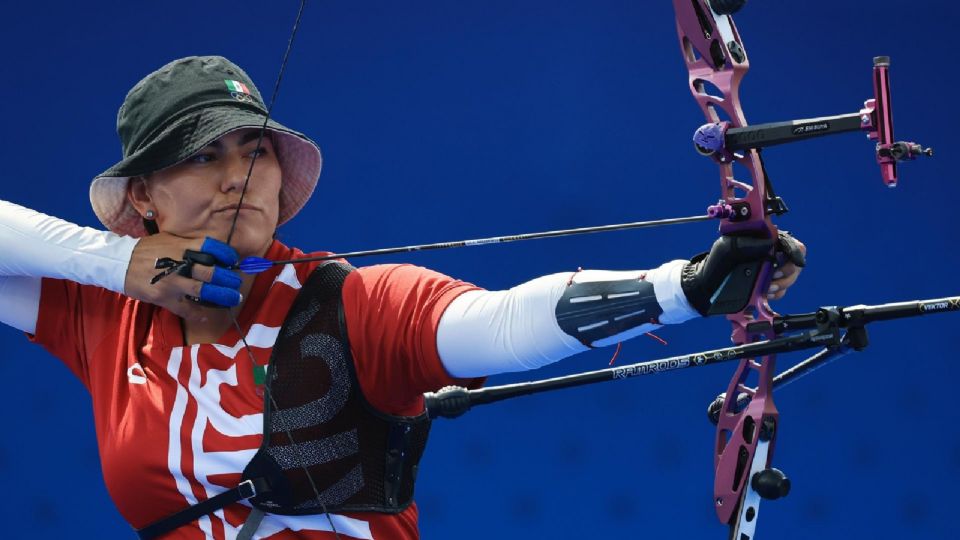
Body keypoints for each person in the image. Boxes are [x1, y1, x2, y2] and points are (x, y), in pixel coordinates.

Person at [0, 56, 803, 539]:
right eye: (201, 155)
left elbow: (495, 324)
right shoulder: (103, 315)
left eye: (254, 150)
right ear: (143, 194)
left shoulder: (345, 304)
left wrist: (685, 287)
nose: (238, 173)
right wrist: (119, 266)